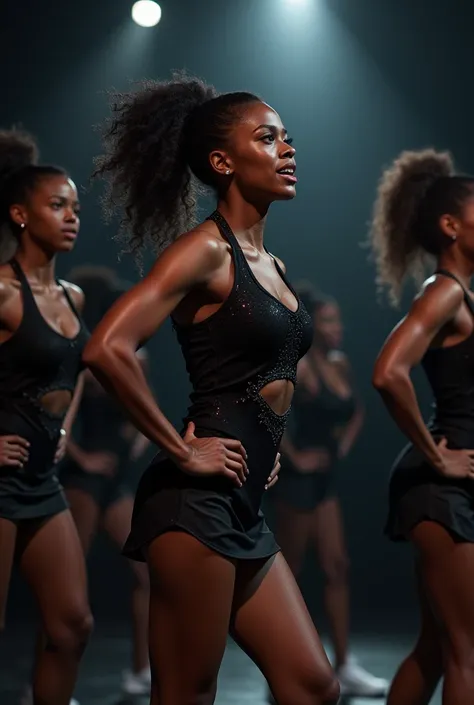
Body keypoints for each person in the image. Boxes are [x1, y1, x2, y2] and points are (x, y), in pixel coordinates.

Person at [84, 73, 340, 705]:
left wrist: (267, 443)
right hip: (194, 506)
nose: (288, 149)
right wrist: (180, 449)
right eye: (268, 138)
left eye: (287, 138)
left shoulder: (271, 265)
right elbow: (105, 349)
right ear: (222, 162)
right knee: (187, 693)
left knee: (312, 686)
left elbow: (266, 373)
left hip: (244, 500)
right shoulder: (203, 251)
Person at [371, 148, 474, 705]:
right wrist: (437, 458)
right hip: (440, 489)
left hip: (452, 487)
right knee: (467, 651)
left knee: (438, 647)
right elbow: (389, 373)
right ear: (450, 226)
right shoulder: (445, 292)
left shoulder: (463, 297)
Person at [0, 129, 92, 705]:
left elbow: (76, 371)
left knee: (71, 624)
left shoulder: (74, 297)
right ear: (20, 214)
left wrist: (64, 428)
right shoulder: (3, 293)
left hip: (42, 481)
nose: (71, 217)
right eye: (57, 205)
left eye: (75, 207)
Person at [273, 283, 388, 698]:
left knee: (337, 566)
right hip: (298, 481)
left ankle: (344, 663)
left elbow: (356, 409)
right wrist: (295, 457)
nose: (337, 327)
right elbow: (269, 411)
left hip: (327, 480)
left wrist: (340, 447)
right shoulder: (298, 368)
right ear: (312, 325)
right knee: (293, 574)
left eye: (338, 320)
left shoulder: (338, 365)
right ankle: (288, 666)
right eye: (328, 320)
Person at [60, 265, 151, 697]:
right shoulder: (81, 354)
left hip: (115, 481)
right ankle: (48, 687)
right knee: (67, 585)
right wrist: (83, 457)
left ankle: (140, 671)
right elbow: (60, 416)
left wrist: (129, 447)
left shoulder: (129, 353)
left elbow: (141, 410)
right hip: (82, 480)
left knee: (146, 571)